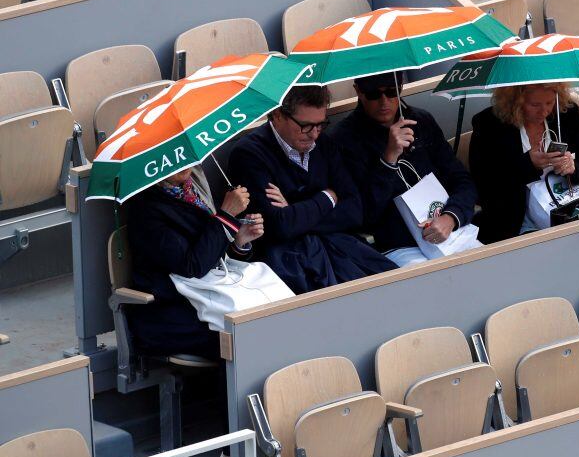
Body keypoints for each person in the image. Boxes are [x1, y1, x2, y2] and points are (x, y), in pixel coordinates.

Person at [227, 85, 397, 293]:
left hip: (341, 250)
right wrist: (327, 197)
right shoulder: (248, 154)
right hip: (291, 263)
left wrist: (294, 209)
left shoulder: (324, 144)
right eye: (306, 126)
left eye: (320, 125)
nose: (314, 134)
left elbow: (355, 211)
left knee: (396, 286)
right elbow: (279, 226)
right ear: (277, 115)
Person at [329, 72, 478, 267]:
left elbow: (461, 180)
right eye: (374, 94)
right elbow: (362, 215)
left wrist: (451, 217)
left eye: (391, 92)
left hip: (451, 232)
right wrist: (388, 159)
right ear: (359, 91)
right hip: (397, 245)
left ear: (401, 87)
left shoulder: (421, 121)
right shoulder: (343, 139)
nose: (384, 102)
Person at [126, 165, 264, 359]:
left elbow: (211, 252)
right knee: (245, 336)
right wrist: (226, 217)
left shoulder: (193, 188)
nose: (183, 165)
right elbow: (192, 265)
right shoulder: (146, 209)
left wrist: (239, 240)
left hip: (209, 294)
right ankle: (233, 390)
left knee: (270, 318)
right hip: (171, 311)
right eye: (172, 159)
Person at [469, 83, 579, 243]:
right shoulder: (489, 124)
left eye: (549, 102)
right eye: (535, 104)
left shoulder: (565, 114)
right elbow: (484, 189)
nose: (544, 111)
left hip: (568, 208)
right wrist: (528, 164)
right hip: (516, 221)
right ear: (515, 101)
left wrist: (574, 167)